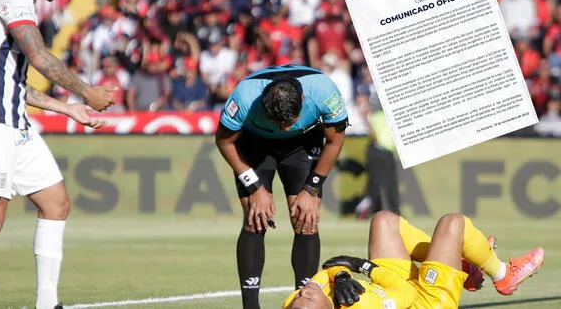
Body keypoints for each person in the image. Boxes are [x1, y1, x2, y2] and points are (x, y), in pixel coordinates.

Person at [0, 0, 115, 309]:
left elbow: (16, 83)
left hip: (14, 120)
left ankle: (48, 304)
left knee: (56, 202)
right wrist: (87, 92)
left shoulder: (20, 0)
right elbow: (39, 57)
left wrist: (68, 109)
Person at [215, 64, 350, 309]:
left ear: (303, 99)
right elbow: (224, 141)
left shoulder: (324, 92)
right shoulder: (244, 96)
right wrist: (254, 187)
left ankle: (302, 300)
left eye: (290, 121)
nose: (284, 128)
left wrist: (312, 189)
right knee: (256, 219)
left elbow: (335, 140)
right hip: (255, 142)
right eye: (278, 121)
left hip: (303, 142)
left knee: (305, 219)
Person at [283, 211, 545, 308]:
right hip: (425, 300)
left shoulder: (293, 303)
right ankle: (503, 276)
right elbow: (406, 292)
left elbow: (329, 270)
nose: (303, 292)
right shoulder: (361, 305)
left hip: (388, 286)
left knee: (385, 222)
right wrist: (363, 266)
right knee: (453, 224)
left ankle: (461, 260)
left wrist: (340, 275)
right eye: (307, 300)